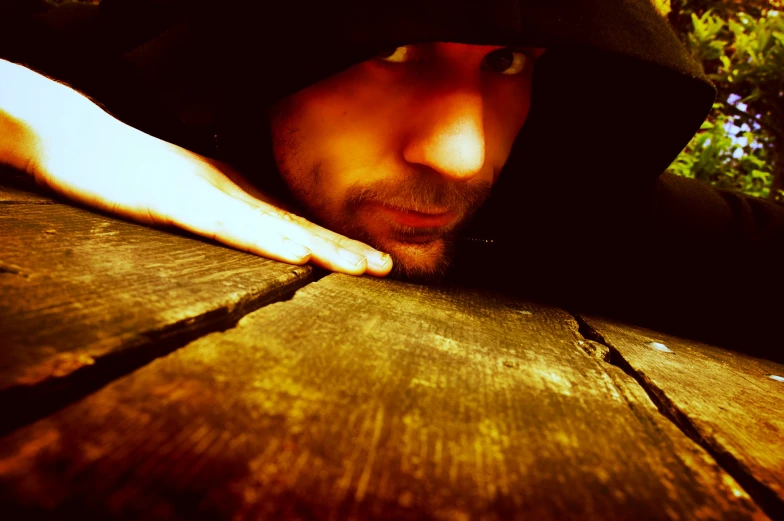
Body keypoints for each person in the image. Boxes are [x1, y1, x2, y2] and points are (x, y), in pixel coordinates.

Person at [1, 0, 783, 360]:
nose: (463, 155)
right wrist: (45, 120)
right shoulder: (118, 88)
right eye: (397, 49)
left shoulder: (551, 199)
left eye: (507, 65)